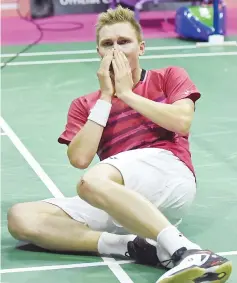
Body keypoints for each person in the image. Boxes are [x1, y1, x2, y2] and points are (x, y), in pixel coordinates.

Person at [7, 5, 232, 283]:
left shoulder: (168, 77)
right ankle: (135, 246)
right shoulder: (84, 104)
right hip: (118, 196)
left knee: (93, 182)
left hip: (169, 176)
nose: (115, 50)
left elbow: (181, 121)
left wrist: (126, 93)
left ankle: (187, 251)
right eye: (107, 44)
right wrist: (105, 97)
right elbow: (79, 158)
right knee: (22, 218)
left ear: (141, 48)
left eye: (123, 42)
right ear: (98, 52)